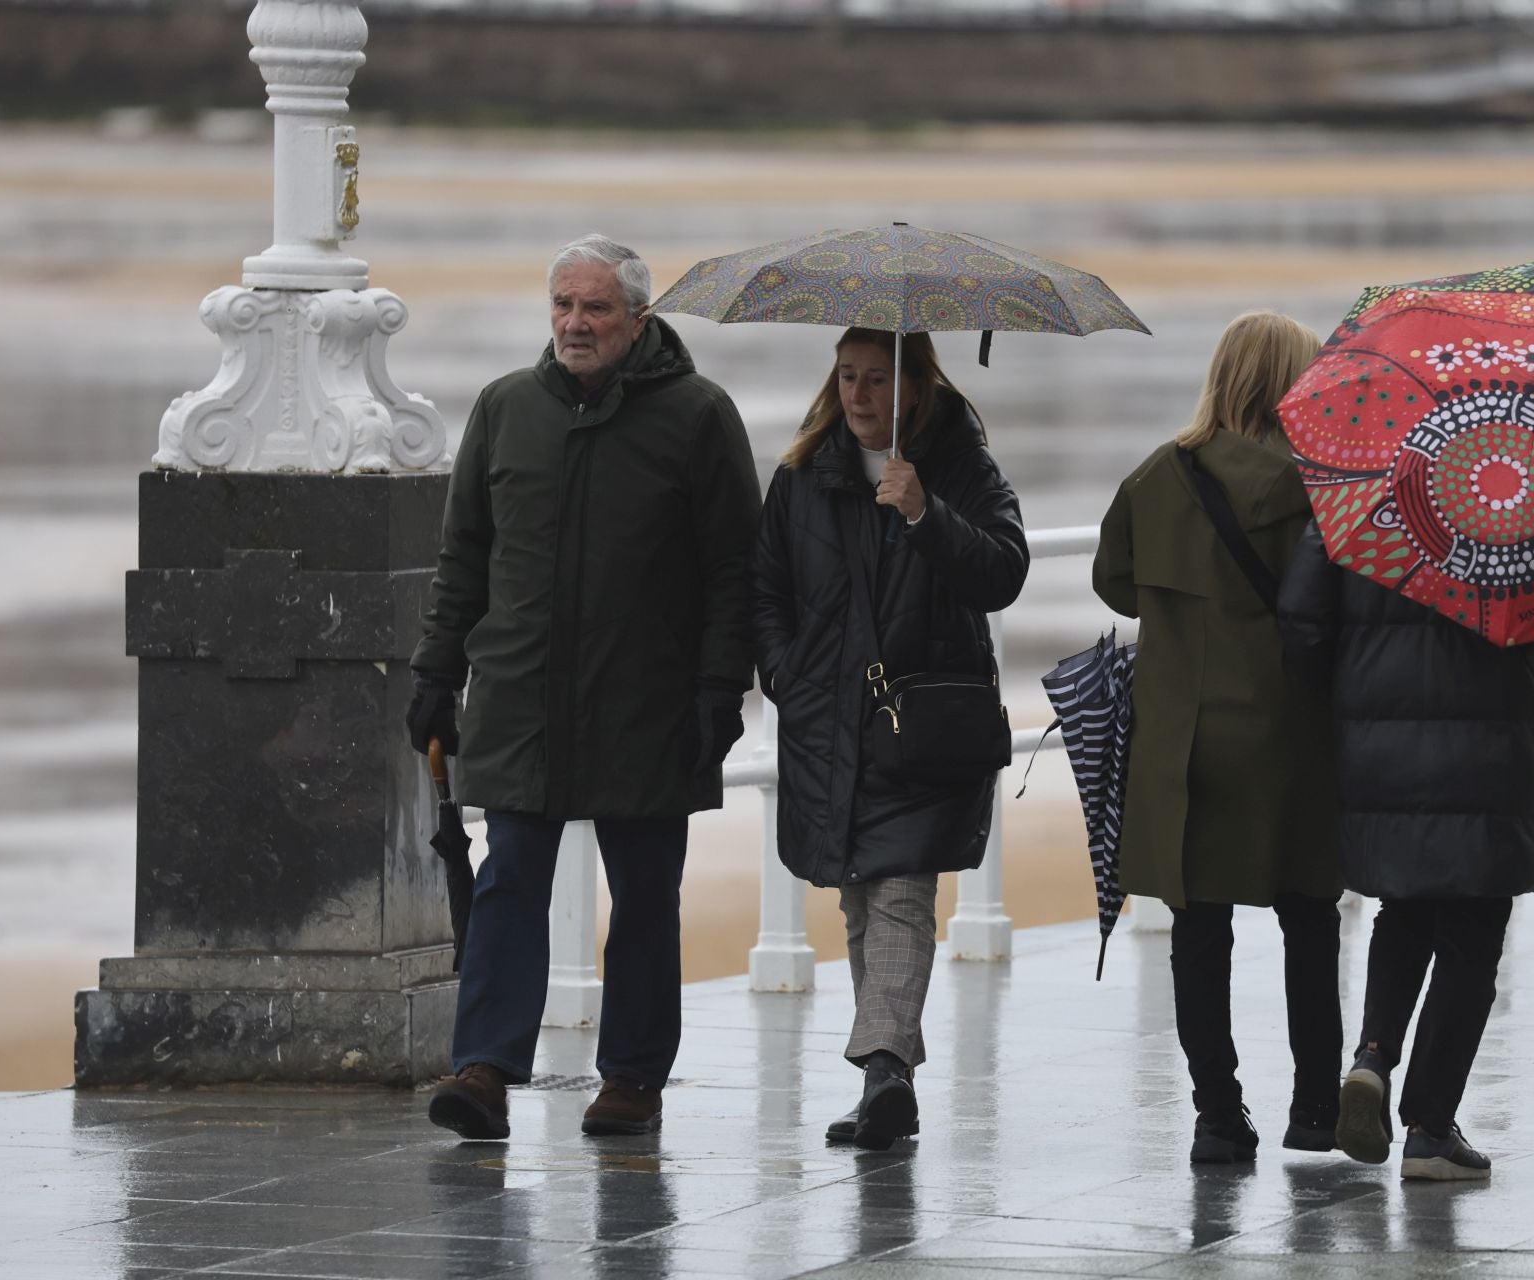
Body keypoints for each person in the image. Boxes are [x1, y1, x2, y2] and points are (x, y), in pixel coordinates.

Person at [407, 233, 762, 1141]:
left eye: (595, 308)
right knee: (509, 880)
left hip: (650, 704)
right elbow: (464, 560)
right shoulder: (504, 410)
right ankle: (482, 1069)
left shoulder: (698, 416)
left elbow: (734, 569)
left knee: (646, 896)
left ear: (637, 319)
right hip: (522, 699)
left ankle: (633, 1079)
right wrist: (436, 674)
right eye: (563, 305)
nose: (575, 323)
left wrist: (722, 689)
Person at [750, 327, 1027, 1151]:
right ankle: (889, 1072)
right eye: (847, 378)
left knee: (902, 892)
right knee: (861, 897)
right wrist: (784, 672)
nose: (859, 396)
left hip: (922, 724)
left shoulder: (961, 470)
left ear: (917, 390)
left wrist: (923, 512)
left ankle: (882, 1069)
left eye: (877, 380)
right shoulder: (803, 475)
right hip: (826, 724)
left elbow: (1003, 572)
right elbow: (764, 586)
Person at [1093, 311, 1344, 1165]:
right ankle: (1314, 1110)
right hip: (1289, 736)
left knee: (1199, 934)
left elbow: (1115, 584)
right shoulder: (1313, 485)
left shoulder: (1156, 475)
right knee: (1310, 921)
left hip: (1182, 748)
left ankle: (1217, 1115)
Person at [1277, 511, 1534, 1181]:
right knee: (1475, 927)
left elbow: (1301, 621)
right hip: (1488, 737)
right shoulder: (1524, 498)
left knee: (1404, 906)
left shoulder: (1356, 495)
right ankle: (1429, 1128)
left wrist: (1352, 690)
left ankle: (1372, 1056)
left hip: (1380, 736)